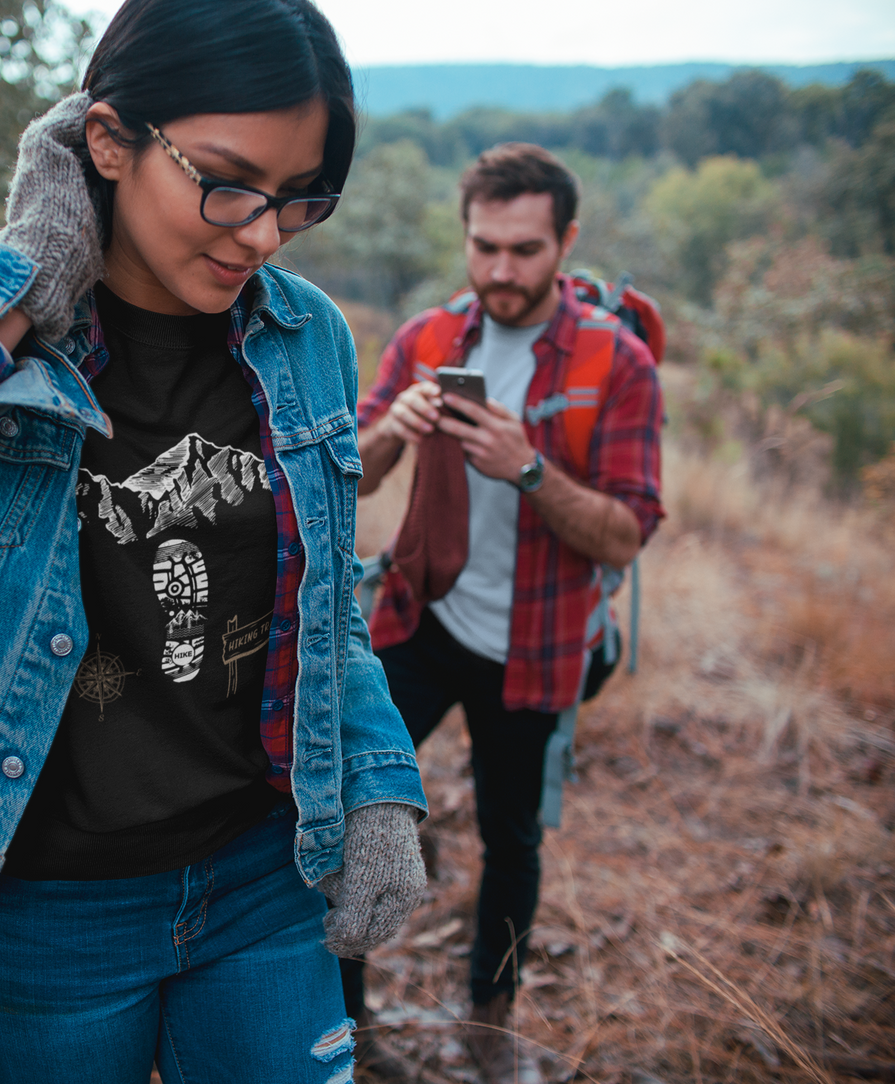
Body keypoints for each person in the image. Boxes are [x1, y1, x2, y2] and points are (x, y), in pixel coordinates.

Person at [0, 0, 430, 1078]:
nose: (259, 232)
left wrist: (375, 778)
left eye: (298, 199)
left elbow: (324, 598)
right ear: (107, 142)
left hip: (261, 875)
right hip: (44, 905)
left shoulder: (305, 338)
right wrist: (25, 279)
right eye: (225, 179)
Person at [353, 144, 664, 1084]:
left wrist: (526, 468)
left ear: (565, 243)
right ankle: (344, 1021)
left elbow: (624, 534)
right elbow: (344, 475)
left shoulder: (617, 360)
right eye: (483, 247)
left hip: (535, 643)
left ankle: (488, 1027)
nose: (498, 272)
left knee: (511, 838)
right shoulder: (426, 338)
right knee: (353, 808)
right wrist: (390, 432)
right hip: (418, 618)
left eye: (524, 250)